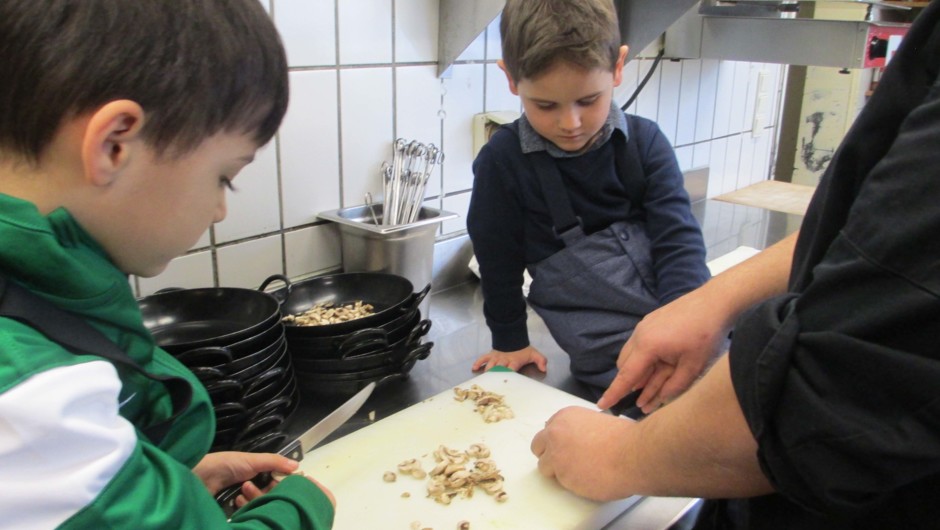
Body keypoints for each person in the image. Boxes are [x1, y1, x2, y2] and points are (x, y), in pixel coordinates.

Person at [531, 0, 940, 527]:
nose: (570, 122)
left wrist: (617, 457)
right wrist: (714, 300)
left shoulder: (644, 140)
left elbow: (822, 399)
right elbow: (869, 236)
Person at [0, 1, 335, 528]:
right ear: (115, 145)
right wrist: (301, 510)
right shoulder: (27, 393)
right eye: (224, 177)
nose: (220, 210)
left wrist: (164, 479)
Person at [466, 0, 710, 395]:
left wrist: (689, 320)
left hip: (678, 319)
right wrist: (510, 341)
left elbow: (679, 243)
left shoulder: (644, 143)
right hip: (606, 353)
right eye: (545, 105)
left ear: (618, 68)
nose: (570, 123)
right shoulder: (503, 162)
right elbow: (497, 258)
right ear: (511, 79)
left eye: (588, 100)